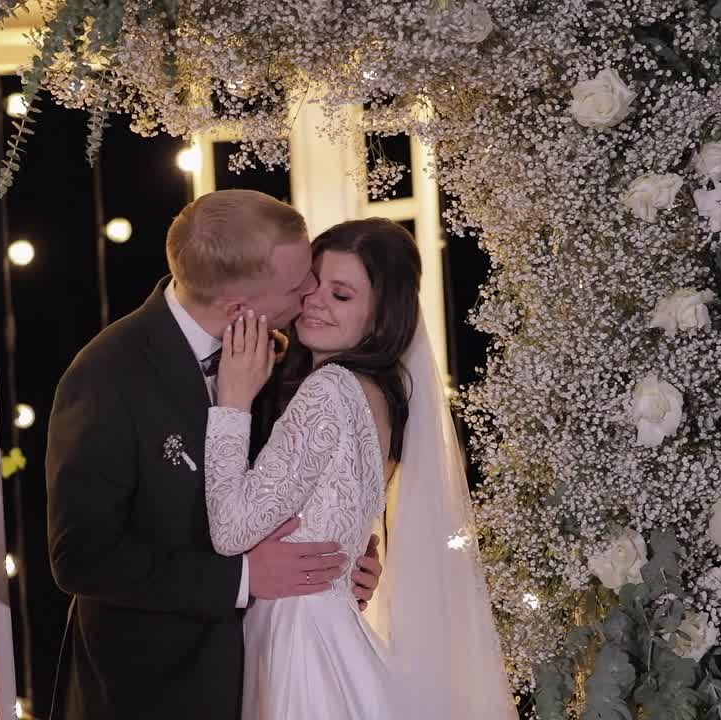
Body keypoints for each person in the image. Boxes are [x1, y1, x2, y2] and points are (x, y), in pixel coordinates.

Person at [45, 190, 383, 720]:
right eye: (299, 284)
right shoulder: (106, 376)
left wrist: (345, 554)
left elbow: (300, 484)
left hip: (273, 676)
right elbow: (82, 556)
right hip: (154, 692)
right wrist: (242, 580)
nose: (312, 293)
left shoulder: (291, 353)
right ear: (238, 309)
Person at [205, 218, 516, 720]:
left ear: (381, 317)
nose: (315, 301)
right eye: (313, 283)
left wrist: (232, 404)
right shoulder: (380, 395)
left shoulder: (329, 390)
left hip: (300, 638)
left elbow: (231, 529)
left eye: (342, 294)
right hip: (325, 623)